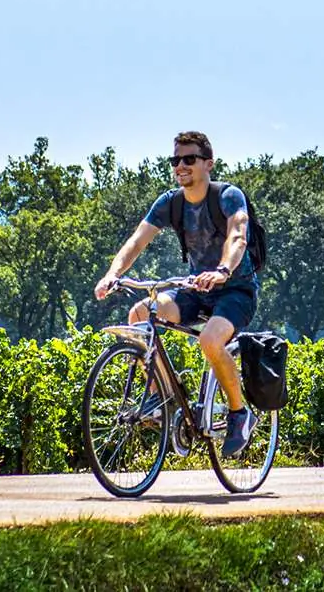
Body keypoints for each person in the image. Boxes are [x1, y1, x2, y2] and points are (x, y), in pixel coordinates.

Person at [94, 130, 259, 457]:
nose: (180, 166)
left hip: (235, 290)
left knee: (210, 341)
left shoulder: (228, 196)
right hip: (195, 288)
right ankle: (165, 398)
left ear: (208, 164)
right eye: (175, 160)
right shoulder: (170, 203)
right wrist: (113, 274)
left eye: (189, 159)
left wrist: (223, 270)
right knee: (140, 314)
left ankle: (240, 413)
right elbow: (137, 242)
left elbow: (237, 235)